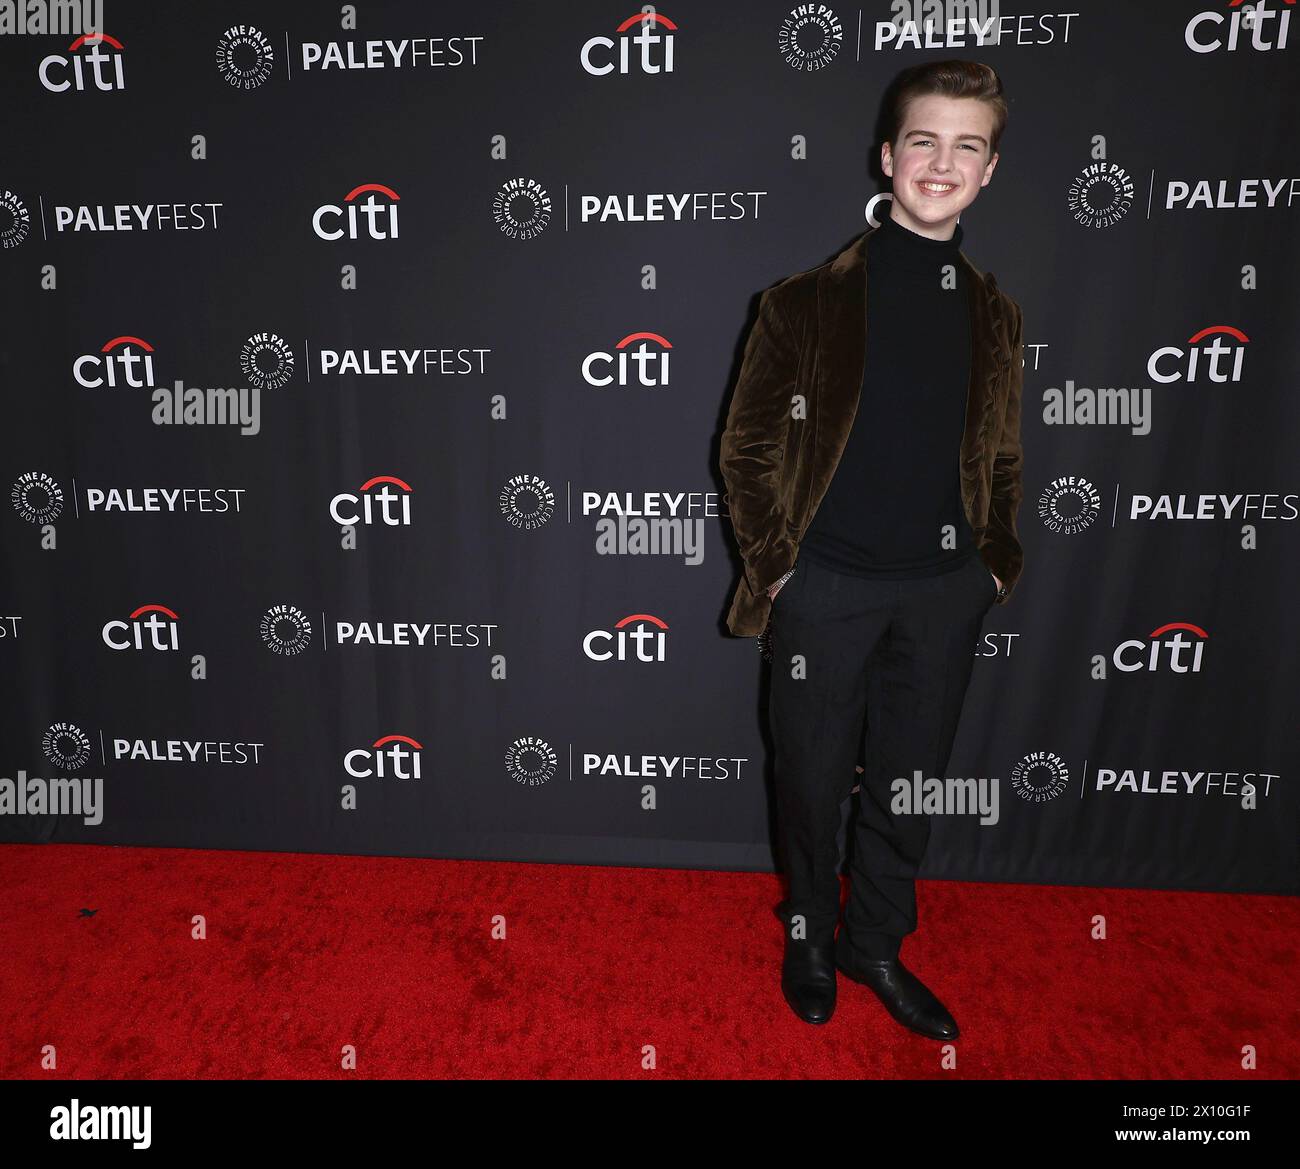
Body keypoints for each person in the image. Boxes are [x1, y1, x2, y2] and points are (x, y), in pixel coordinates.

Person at [718, 60, 1025, 1038]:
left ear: (988, 170)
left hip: (941, 593)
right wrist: (780, 570)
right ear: (887, 156)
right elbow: (747, 449)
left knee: (909, 782)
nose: (942, 161)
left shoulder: (994, 312)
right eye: (923, 141)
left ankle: (874, 944)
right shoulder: (803, 302)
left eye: (965, 145)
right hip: (827, 590)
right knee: (808, 780)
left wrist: (991, 565)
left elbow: (1003, 453)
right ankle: (809, 934)